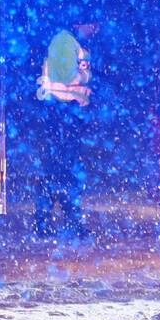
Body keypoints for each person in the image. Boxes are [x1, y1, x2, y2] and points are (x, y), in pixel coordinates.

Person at [34, 21, 97, 238]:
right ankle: (54, 220)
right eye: (92, 25)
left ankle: (60, 220)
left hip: (66, 117)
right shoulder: (65, 42)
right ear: (80, 23)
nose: (94, 30)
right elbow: (69, 77)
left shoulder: (73, 43)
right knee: (62, 171)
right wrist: (85, 75)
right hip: (61, 115)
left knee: (63, 171)